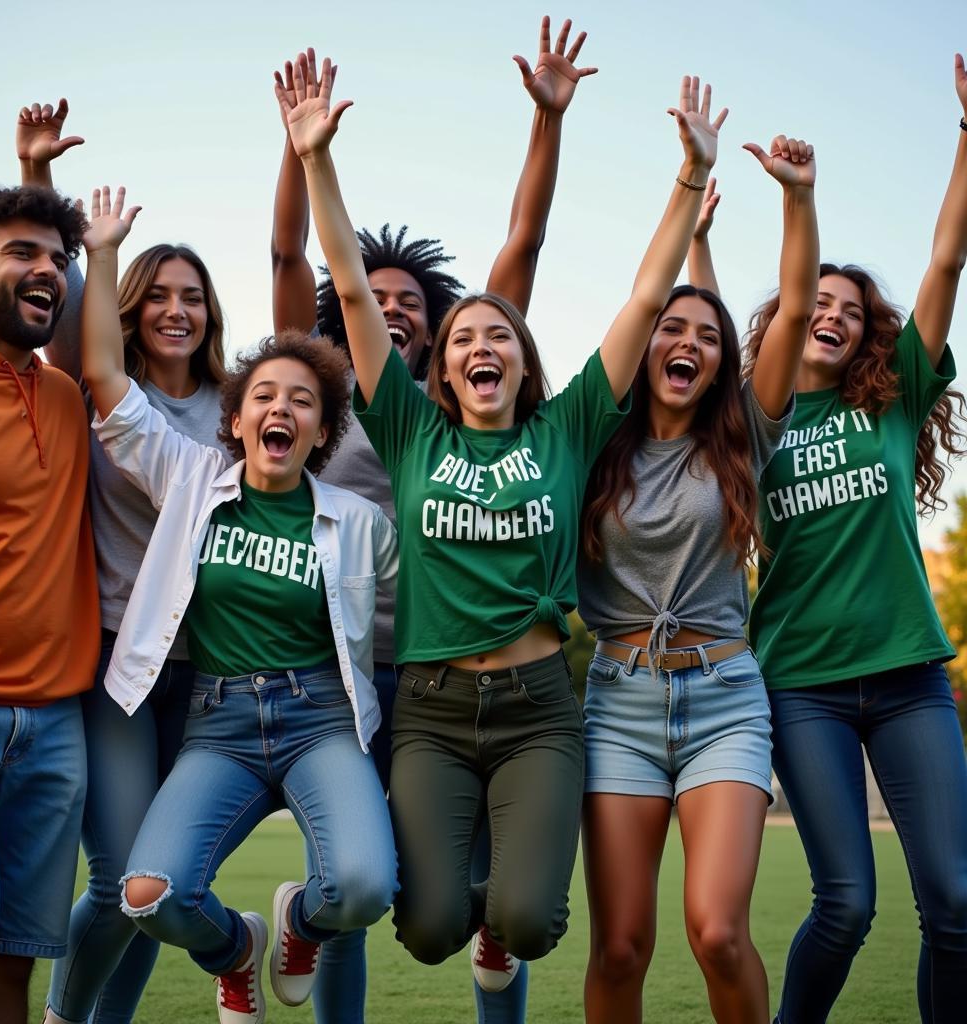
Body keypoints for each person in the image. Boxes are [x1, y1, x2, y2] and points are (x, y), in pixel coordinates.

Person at [282, 52, 726, 987]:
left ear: (524, 362)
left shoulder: (567, 429)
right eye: (463, 341)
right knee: (431, 927)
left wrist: (691, 175)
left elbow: (648, 298)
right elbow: (354, 291)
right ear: (439, 371)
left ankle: (505, 908)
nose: (482, 346)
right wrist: (316, 157)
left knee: (527, 923)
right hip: (432, 713)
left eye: (500, 336)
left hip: (538, 712)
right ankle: (423, 905)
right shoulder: (407, 431)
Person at [270, 18, 595, 1023]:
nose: (396, 306)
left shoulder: (458, 408)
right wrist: (303, 147)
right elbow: (296, 249)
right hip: (346, 671)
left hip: (451, 661)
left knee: (511, 888)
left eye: (417, 298)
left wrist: (545, 126)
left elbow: (522, 247)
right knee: (366, 884)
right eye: (378, 295)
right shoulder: (332, 396)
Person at [77, 186, 400, 1024]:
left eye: (302, 400)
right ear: (237, 416)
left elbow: (444, 583)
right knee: (147, 895)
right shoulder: (189, 477)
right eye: (264, 395)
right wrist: (103, 252)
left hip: (320, 717)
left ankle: (300, 918)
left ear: (323, 429)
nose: (281, 408)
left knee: (363, 887)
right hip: (216, 722)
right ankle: (236, 948)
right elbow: (106, 377)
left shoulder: (358, 521)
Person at [700, 54, 967, 1024]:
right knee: (845, 903)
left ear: (868, 339)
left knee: (956, 903)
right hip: (802, 681)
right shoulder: (756, 414)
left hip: (906, 676)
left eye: (852, 315)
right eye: (819, 303)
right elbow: (761, 288)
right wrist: (788, 205)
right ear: (791, 312)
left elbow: (944, 260)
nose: (835, 317)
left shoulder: (893, 396)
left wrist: (966, 134)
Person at [576, 133, 819, 1023]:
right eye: (670, 331)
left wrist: (798, 196)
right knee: (619, 947)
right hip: (618, 702)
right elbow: (652, 295)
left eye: (707, 336)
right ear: (644, 350)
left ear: (722, 362)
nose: (686, 344)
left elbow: (793, 313)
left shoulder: (742, 440)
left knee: (718, 932)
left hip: (723, 695)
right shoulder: (592, 443)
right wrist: (685, 203)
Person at [16, 101, 233, 1024]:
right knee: (118, 881)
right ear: (131, 310)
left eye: (194, 296)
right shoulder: (98, 395)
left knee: (159, 885)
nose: (177, 310)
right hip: (114, 663)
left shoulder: (238, 410)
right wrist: (42, 183)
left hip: (214, 669)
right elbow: (63, 311)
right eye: (161, 295)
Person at [0, 182, 98, 1024]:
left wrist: (35, 171)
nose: (50, 272)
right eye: (23, 254)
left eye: (59, 259)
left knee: (11, 959)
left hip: (51, 722)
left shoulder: (65, 396)